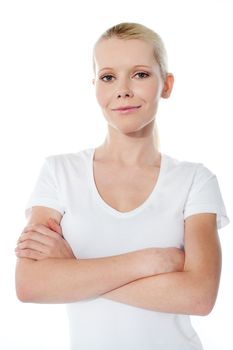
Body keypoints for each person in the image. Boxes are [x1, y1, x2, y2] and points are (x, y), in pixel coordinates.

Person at [15, 22, 230, 350]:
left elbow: (199, 297)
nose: (123, 89)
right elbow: (30, 285)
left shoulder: (194, 181)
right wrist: (151, 262)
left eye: (141, 74)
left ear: (166, 85)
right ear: (95, 86)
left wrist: (72, 273)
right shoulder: (59, 173)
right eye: (108, 77)